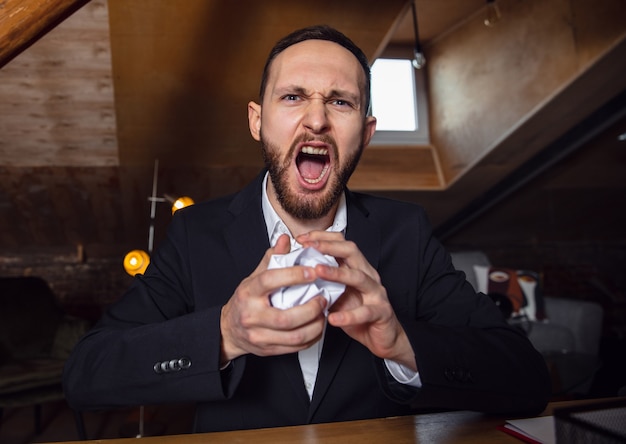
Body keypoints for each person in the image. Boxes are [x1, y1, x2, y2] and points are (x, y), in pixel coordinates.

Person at [63, 25, 551, 433]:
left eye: (340, 103)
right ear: (258, 120)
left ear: (366, 130)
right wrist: (223, 334)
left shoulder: (407, 232)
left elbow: (527, 377)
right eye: (293, 96)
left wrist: (402, 344)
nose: (316, 119)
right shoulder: (196, 233)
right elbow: (87, 374)